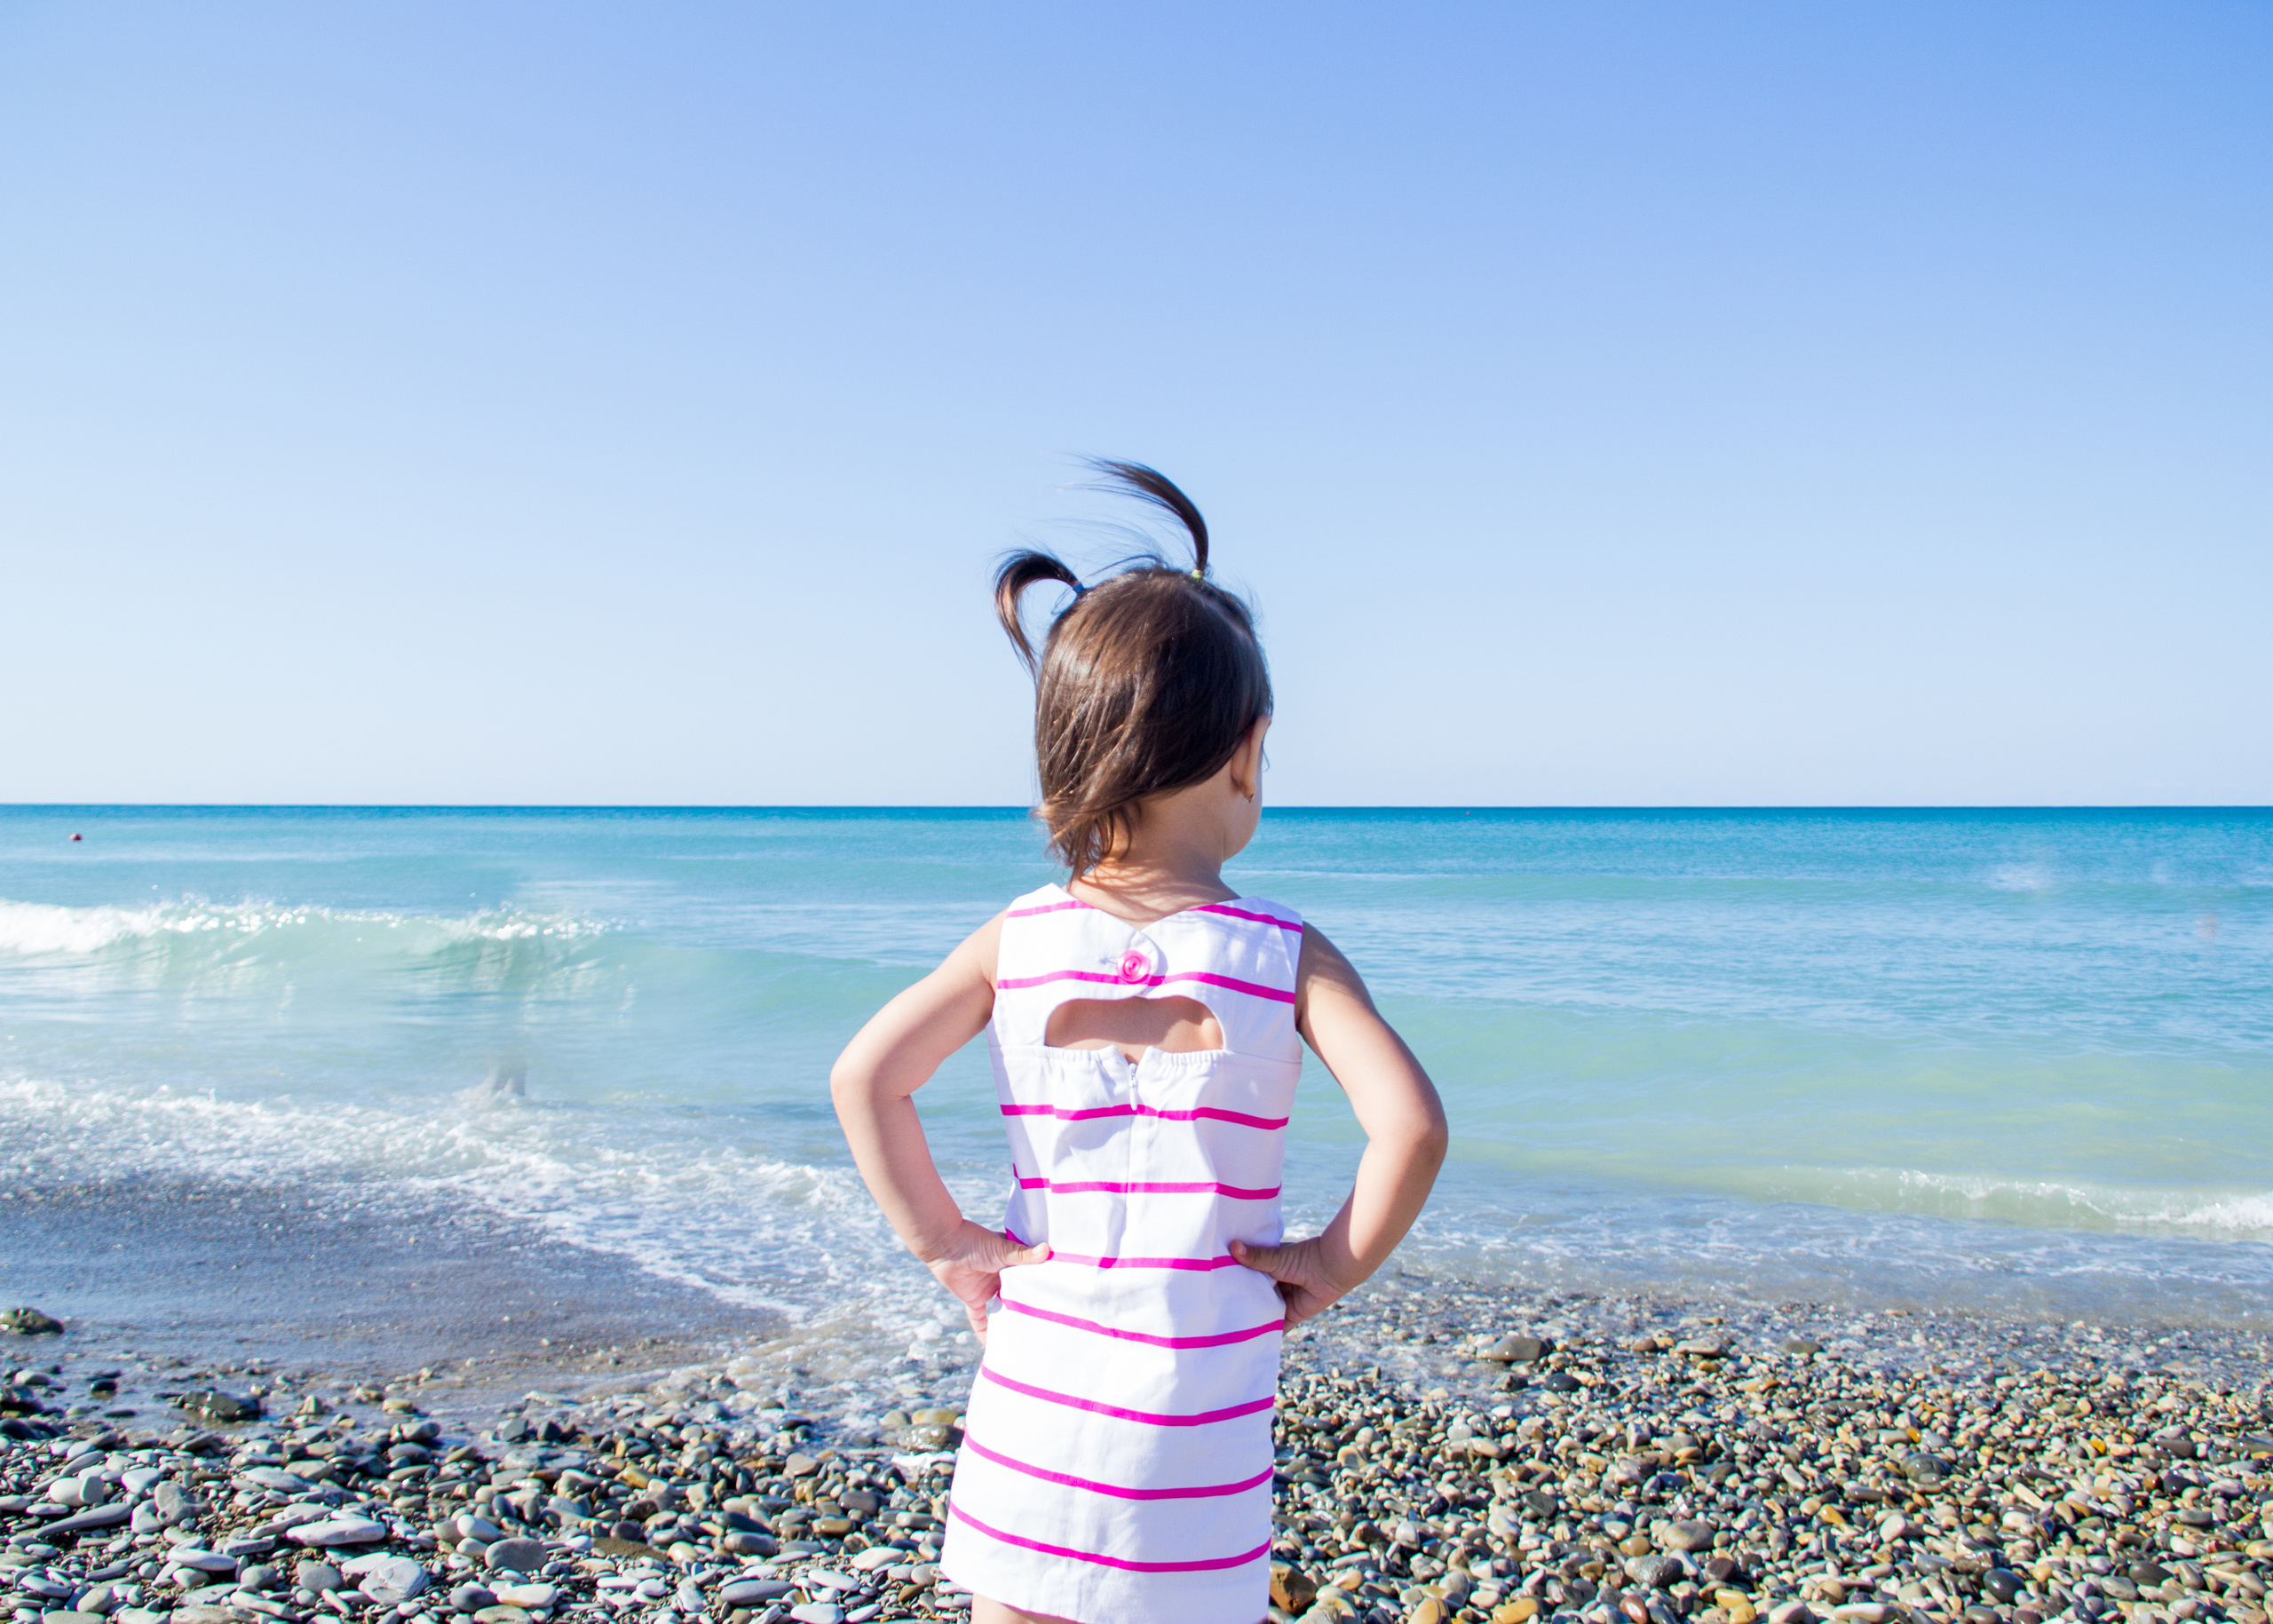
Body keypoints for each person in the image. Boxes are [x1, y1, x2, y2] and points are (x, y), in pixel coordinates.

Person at [830, 462, 1448, 1624]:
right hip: (1194, 1426)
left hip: (1033, 1398)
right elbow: (1410, 1126)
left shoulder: (1015, 939)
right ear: (1247, 755)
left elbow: (867, 1075)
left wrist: (948, 1242)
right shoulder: (1281, 952)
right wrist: (1331, 1260)